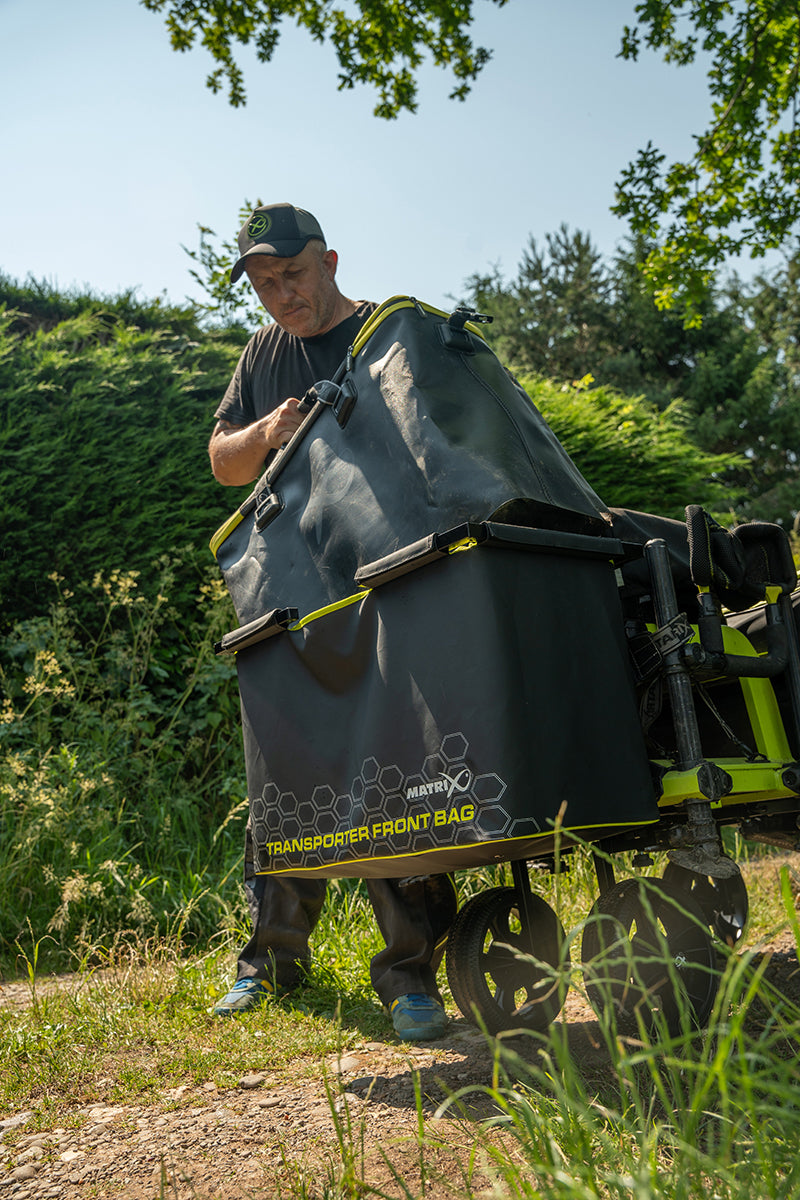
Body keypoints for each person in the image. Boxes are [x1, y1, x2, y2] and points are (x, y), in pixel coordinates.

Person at [208, 202, 457, 1040]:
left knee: (390, 764)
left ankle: (411, 978)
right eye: (265, 283)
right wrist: (268, 432)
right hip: (286, 581)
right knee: (285, 766)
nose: (281, 295)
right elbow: (221, 462)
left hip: (379, 575)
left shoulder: (385, 338)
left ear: (331, 260)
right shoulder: (262, 354)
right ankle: (270, 963)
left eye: (294, 274)